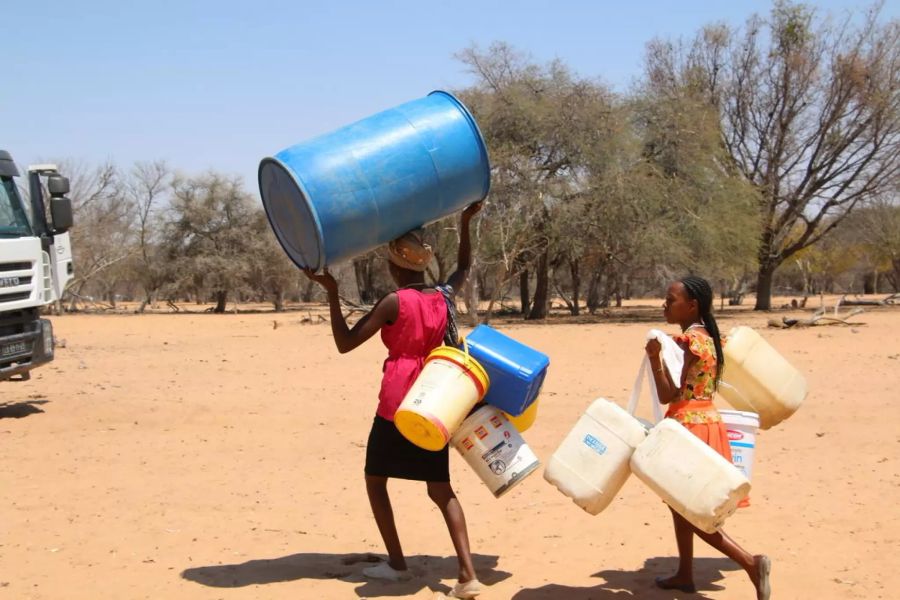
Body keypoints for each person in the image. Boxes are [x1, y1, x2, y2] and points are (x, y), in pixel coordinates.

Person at [303, 202, 484, 599]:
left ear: (394, 266)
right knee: (441, 489)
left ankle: (398, 564)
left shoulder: (394, 301)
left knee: (375, 479)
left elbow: (345, 343)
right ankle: (468, 575)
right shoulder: (443, 297)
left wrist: (333, 294)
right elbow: (464, 269)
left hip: (398, 401)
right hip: (436, 400)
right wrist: (466, 223)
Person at [644, 276, 771, 600]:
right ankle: (685, 574)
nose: (665, 304)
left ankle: (750, 562)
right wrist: (658, 358)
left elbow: (666, 394)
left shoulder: (688, 341)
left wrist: (657, 355)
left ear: (692, 305)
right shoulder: (709, 338)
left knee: (693, 508)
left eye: (671, 300)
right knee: (680, 504)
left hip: (689, 429)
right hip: (704, 422)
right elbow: (673, 393)